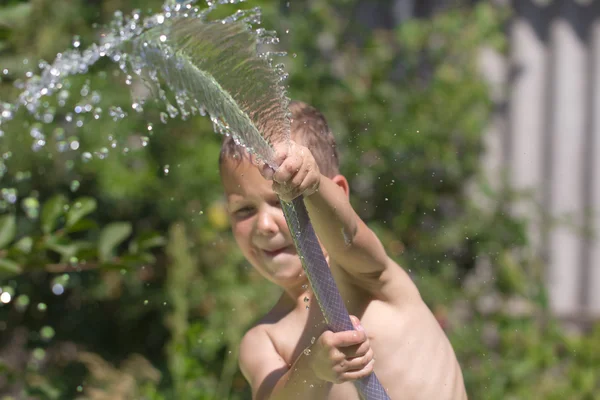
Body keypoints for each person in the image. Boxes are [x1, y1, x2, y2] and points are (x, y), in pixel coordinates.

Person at [219, 100, 467, 400]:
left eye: (281, 201)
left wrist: (312, 186)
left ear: (337, 193)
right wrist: (313, 368)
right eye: (244, 210)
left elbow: (347, 234)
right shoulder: (266, 339)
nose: (265, 225)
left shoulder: (361, 272)